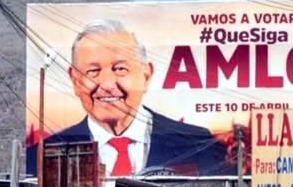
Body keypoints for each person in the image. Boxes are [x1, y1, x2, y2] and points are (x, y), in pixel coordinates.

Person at [28, 19, 231, 178]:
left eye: (120, 69)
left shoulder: (198, 144)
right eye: (93, 71)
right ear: (74, 79)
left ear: (146, 75)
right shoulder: (40, 157)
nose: (107, 84)